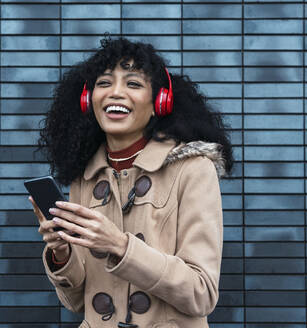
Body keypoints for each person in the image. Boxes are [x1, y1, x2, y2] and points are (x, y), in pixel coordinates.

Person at [29, 36, 233, 328]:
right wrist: (62, 254)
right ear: (88, 100)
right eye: (104, 83)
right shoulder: (85, 176)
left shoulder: (193, 170)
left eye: (133, 84)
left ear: (159, 103)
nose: (116, 93)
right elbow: (75, 302)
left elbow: (201, 294)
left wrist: (120, 246)